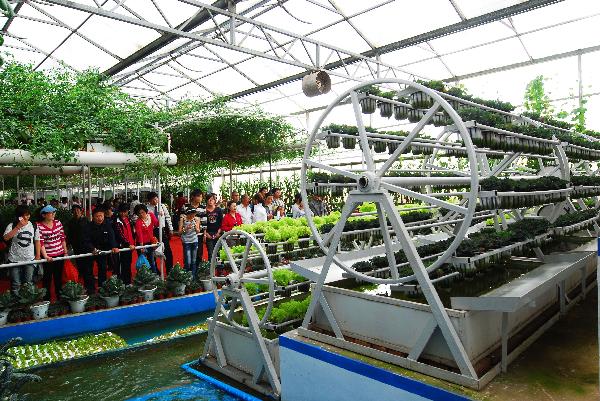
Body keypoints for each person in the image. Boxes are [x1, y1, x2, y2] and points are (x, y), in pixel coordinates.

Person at [80, 207, 119, 294]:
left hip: (102, 250)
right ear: (93, 217)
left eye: (101, 216)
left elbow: (111, 237)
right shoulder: (87, 227)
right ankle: (90, 289)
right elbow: (85, 240)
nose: (100, 218)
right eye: (97, 216)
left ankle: (102, 287)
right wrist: (92, 249)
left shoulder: (107, 225)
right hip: (90, 251)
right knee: (88, 270)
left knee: (103, 268)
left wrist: (114, 246)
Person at [3, 205, 38, 295]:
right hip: (14, 259)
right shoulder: (12, 225)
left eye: (28, 215)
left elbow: (37, 240)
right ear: (18, 216)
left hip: (29, 259)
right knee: (16, 284)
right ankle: (16, 304)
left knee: (29, 283)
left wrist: (37, 255)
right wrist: (17, 227)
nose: (26, 217)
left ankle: (28, 302)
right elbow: (6, 238)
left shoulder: (33, 225)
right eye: (24, 215)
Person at [35, 205, 67, 301]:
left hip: (60, 254)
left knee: (58, 277)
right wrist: (45, 256)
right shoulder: (38, 226)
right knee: (47, 278)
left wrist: (65, 251)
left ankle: (60, 297)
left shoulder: (58, 223)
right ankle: (46, 299)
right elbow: (41, 242)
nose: (53, 214)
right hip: (48, 256)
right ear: (43, 215)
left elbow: (62, 237)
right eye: (51, 212)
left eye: (54, 212)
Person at [146, 192, 174, 273]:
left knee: (167, 250)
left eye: (156, 199)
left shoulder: (162, 206)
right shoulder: (146, 208)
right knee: (152, 251)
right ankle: (155, 271)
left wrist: (171, 228)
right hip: (152, 231)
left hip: (162, 229)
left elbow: (168, 217)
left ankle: (170, 269)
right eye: (153, 200)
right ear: (149, 201)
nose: (155, 201)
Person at [181, 189, 206, 266]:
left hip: (198, 234)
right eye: (199, 196)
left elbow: (204, 221)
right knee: (187, 255)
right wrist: (183, 230)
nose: (200, 198)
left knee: (198, 254)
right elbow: (181, 218)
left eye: (201, 197)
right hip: (187, 235)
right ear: (193, 197)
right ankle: (187, 272)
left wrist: (204, 234)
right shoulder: (185, 206)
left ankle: (197, 272)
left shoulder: (202, 207)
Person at [113, 203, 135, 285]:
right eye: (121, 212)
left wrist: (133, 242)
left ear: (127, 211)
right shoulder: (116, 221)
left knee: (128, 264)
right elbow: (119, 235)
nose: (122, 214)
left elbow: (132, 232)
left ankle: (128, 282)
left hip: (130, 246)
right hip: (123, 247)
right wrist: (127, 244)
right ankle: (122, 283)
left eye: (124, 212)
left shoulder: (128, 219)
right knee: (122, 265)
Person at [134, 204, 159, 274]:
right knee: (143, 261)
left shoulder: (151, 215)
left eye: (142, 212)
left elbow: (157, 224)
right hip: (141, 243)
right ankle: (143, 277)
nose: (141, 214)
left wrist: (161, 217)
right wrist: (141, 247)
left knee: (151, 260)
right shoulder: (138, 222)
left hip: (150, 242)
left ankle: (154, 275)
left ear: (146, 211)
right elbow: (139, 235)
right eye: (139, 213)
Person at [178, 207, 200, 277]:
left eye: (194, 214)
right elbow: (179, 232)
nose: (193, 216)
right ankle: (186, 276)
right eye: (192, 214)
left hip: (194, 240)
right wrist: (186, 228)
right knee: (188, 261)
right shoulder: (183, 219)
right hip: (186, 241)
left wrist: (196, 228)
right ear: (188, 214)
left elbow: (198, 231)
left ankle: (192, 277)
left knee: (194, 260)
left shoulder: (196, 219)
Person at [203, 193, 223, 263]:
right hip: (208, 233)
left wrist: (219, 232)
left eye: (212, 199)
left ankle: (220, 270)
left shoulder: (219, 210)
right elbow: (202, 224)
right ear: (206, 201)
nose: (210, 201)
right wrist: (206, 234)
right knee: (210, 253)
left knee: (219, 252)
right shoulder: (204, 211)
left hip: (218, 233)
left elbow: (221, 222)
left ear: (215, 200)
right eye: (209, 199)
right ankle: (211, 270)